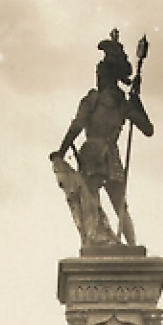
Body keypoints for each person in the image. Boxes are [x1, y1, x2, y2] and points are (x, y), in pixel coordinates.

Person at [50, 31, 154, 245]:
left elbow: (77, 125)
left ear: (104, 76)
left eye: (99, 73)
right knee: (120, 204)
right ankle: (131, 244)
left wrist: (62, 151)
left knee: (91, 201)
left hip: (92, 155)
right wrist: (136, 103)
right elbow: (148, 128)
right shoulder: (123, 104)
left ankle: (96, 240)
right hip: (112, 157)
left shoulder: (94, 99)